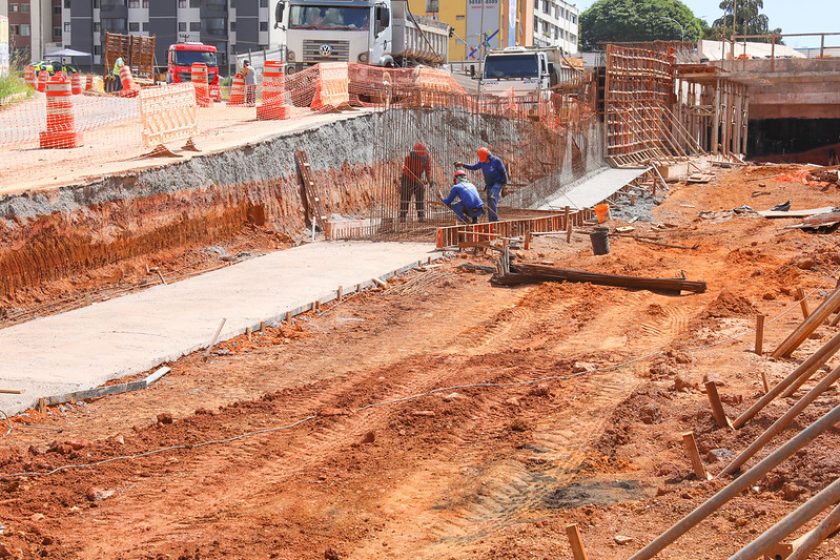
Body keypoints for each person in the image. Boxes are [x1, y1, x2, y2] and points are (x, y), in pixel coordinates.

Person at [456, 147, 508, 222]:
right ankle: (492, 220)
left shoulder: (496, 161)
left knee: (492, 197)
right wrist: (463, 165)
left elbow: (504, 173)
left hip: (498, 183)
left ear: (488, 156)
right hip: (489, 185)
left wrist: (505, 185)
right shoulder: (482, 163)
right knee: (490, 201)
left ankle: (495, 220)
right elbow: (473, 167)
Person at [399, 143, 432, 222]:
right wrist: (418, 180)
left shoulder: (426, 157)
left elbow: (428, 170)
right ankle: (402, 216)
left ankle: (421, 216)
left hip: (418, 176)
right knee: (405, 197)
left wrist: (429, 180)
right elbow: (408, 172)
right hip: (407, 177)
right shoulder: (408, 158)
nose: (421, 158)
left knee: (420, 196)